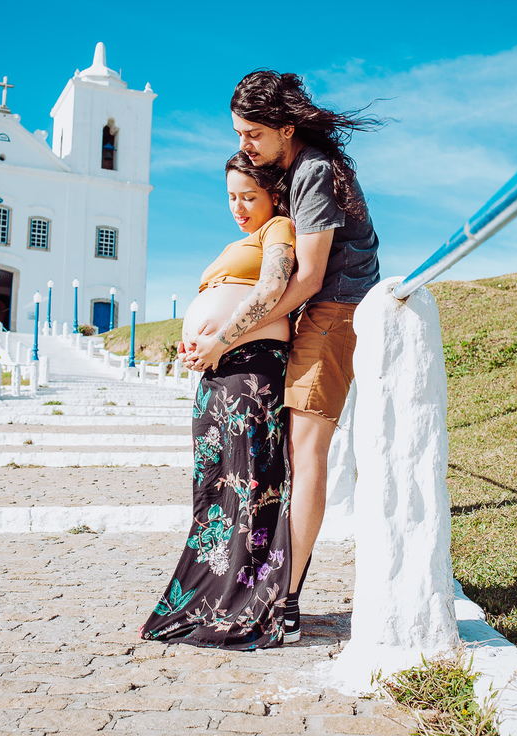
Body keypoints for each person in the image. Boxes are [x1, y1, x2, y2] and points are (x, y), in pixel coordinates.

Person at [187, 70, 382, 643]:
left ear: (286, 128)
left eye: (252, 134)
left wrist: (227, 337)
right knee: (286, 459)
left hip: (333, 312)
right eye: (239, 133)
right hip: (309, 316)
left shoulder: (314, 171)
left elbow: (311, 277)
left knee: (306, 452)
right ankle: (266, 586)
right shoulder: (292, 173)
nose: (244, 144)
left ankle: (286, 601)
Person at [141, 152, 297, 649]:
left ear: (273, 194)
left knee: (250, 486)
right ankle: (208, 599)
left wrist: (220, 339)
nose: (238, 206)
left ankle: (250, 605)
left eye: (249, 196)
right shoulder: (234, 245)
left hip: (251, 368)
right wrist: (198, 345)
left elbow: (273, 288)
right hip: (217, 374)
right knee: (214, 491)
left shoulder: (277, 229)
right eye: (231, 197)